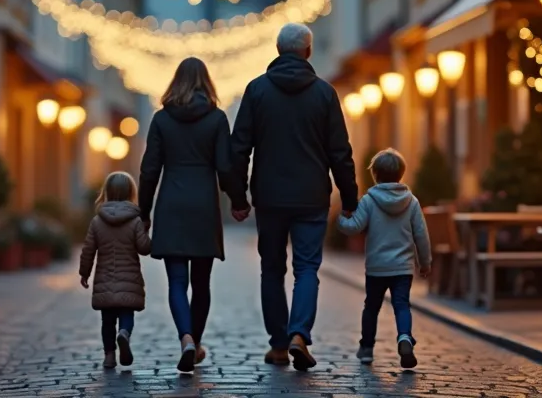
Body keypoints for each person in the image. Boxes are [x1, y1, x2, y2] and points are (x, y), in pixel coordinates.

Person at [230, 23, 358, 371]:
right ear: (308, 51)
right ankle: (299, 332)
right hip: (312, 196)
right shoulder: (324, 94)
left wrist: (238, 196)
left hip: (270, 197)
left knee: (271, 269)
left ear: (277, 49)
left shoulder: (256, 91)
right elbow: (339, 152)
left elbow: (239, 147)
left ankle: (279, 344)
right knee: (306, 269)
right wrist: (350, 197)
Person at [139, 57, 250, 373]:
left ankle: (186, 338)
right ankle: (196, 341)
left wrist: (144, 211)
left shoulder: (161, 119)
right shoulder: (216, 119)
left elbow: (149, 170)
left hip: (171, 201)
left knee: (176, 281)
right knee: (201, 283)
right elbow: (226, 166)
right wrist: (238, 200)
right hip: (203, 203)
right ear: (207, 83)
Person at [337, 149, 432, 369]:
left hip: (377, 268)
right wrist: (425, 262)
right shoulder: (412, 202)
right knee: (402, 305)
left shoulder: (369, 200)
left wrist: (341, 219)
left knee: (371, 307)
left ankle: (367, 348)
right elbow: (421, 235)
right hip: (403, 268)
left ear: (376, 175)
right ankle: (405, 337)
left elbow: (354, 227)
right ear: (401, 174)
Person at [78, 171, 152, 370]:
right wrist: (146, 230)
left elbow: (88, 250)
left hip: (104, 281)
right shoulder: (135, 221)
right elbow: (144, 248)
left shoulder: (97, 221)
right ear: (131, 193)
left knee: (107, 321)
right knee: (127, 313)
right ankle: (125, 333)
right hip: (129, 282)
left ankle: (109, 356)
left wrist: (84, 272)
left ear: (106, 193)